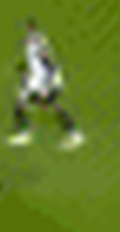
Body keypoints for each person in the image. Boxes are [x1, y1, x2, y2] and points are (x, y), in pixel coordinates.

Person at [9, 19, 83, 150]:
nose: (26, 40)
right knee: (24, 102)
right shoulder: (33, 46)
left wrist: (46, 87)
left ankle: (73, 133)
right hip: (39, 80)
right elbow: (36, 64)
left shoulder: (39, 50)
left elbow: (49, 66)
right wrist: (25, 71)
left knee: (49, 106)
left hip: (46, 81)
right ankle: (25, 131)